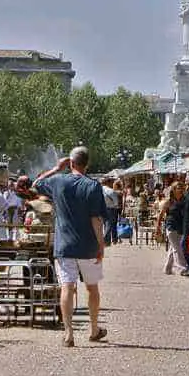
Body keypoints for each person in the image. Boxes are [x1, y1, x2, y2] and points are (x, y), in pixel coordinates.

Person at [33, 146, 109, 347]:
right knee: (92, 289)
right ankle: (93, 329)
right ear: (87, 164)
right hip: (88, 246)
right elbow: (96, 219)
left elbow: (36, 184)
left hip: (64, 246)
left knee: (67, 287)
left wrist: (57, 168)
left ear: (71, 163)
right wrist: (101, 245)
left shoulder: (58, 181)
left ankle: (69, 333)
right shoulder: (93, 186)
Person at [156, 179, 188, 275]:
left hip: (181, 227)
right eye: (179, 188)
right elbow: (161, 215)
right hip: (171, 227)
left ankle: (167, 268)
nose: (181, 190)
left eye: (182, 188)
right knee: (177, 248)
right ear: (173, 190)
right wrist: (158, 227)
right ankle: (182, 268)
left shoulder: (185, 201)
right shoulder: (168, 202)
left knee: (173, 247)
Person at [101, 177, 121, 246]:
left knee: (105, 225)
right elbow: (116, 203)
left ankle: (108, 241)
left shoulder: (99, 190)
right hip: (111, 209)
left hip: (102, 209)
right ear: (108, 183)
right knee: (109, 225)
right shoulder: (111, 191)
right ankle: (105, 240)